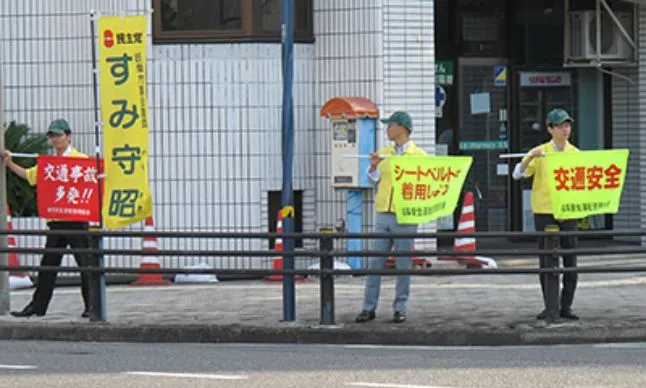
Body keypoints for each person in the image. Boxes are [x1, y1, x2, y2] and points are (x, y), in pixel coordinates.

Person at [3, 119, 96, 319]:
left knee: (85, 265)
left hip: (76, 220)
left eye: (58, 135)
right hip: (56, 220)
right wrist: (10, 163)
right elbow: (29, 175)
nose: (55, 139)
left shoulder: (80, 159)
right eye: (52, 136)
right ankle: (38, 306)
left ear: (68, 136)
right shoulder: (49, 163)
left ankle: (92, 306)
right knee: (48, 266)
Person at [355, 111, 427, 324]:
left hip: (405, 215)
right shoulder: (384, 153)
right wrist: (374, 166)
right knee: (376, 262)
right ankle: (368, 307)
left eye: (390, 126)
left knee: (403, 265)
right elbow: (374, 180)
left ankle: (400, 307)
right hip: (383, 213)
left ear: (402, 128)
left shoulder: (419, 156)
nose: (387, 130)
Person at [512, 108, 580, 321]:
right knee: (547, 262)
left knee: (571, 261)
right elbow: (518, 174)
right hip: (544, 211)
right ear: (550, 129)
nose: (565, 130)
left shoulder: (575, 154)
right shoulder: (540, 151)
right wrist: (529, 157)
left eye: (567, 125)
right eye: (559, 126)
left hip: (568, 211)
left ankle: (565, 306)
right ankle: (550, 306)